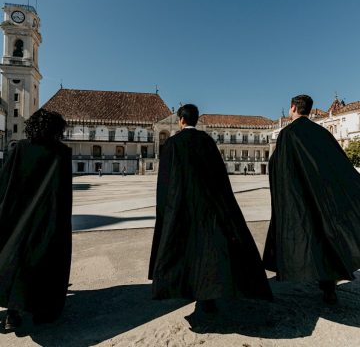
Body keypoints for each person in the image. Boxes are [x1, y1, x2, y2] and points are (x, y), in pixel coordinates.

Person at [149, 104, 272, 315]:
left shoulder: (172, 144)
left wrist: (165, 209)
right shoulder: (207, 142)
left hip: (182, 207)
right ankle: (210, 296)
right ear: (196, 120)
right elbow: (219, 177)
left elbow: (166, 182)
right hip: (208, 206)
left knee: (186, 251)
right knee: (209, 250)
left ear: (180, 120)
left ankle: (192, 293)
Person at [263, 94, 360, 304]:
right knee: (327, 239)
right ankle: (329, 288)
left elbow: (280, 166)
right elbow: (338, 163)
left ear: (292, 108)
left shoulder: (288, 134)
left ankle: (297, 272)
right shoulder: (322, 132)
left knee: (307, 237)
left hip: (301, 196)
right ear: (308, 109)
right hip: (324, 195)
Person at [0, 109, 73, 330]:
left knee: (14, 258)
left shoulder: (20, 147)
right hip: (48, 215)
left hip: (18, 213)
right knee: (46, 261)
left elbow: (5, 182)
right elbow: (63, 191)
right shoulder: (62, 152)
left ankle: (13, 311)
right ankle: (43, 310)